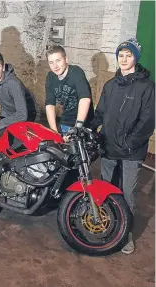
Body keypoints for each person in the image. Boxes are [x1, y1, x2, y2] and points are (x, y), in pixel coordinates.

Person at [90, 38, 155, 255]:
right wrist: (89, 128)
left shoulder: (146, 87)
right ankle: (108, 228)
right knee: (106, 190)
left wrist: (129, 143)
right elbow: (100, 113)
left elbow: (147, 121)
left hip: (130, 151)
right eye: (120, 55)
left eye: (128, 55)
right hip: (108, 147)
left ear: (135, 57)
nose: (124, 59)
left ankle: (125, 235)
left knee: (127, 194)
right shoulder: (111, 85)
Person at [45, 45, 94, 135]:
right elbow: (49, 105)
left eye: (58, 61)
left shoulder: (76, 72)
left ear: (66, 59)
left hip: (83, 123)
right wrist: (54, 132)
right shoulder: (50, 77)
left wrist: (77, 128)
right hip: (65, 122)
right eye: (51, 62)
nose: (55, 66)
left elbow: (85, 99)